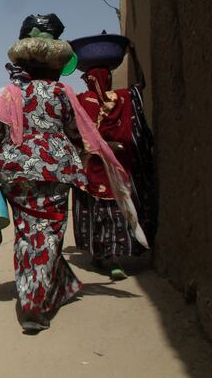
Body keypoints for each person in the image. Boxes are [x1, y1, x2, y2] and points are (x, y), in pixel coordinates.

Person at [0, 14, 147, 333]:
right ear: (54, 66)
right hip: (54, 175)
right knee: (49, 237)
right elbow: (75, 133)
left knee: (28, 236)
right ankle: (33, 306)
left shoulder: (10, 95)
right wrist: (79, 155)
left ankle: (59, 286)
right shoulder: (61, 93)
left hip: (15, 176)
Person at [72, 44, 157, 280]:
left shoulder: (85, 101)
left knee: (104, 213)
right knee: (107, 212)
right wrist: (134, 54)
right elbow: (141, 85)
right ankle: (105, 256)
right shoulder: (119, 98)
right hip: (104, 168)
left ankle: (108, 256)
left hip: (99, 169)